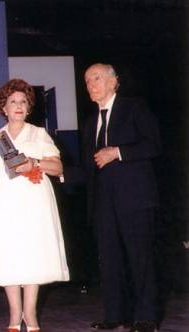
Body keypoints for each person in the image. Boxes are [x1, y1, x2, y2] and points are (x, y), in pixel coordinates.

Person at [0, 79, 69, 332]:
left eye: (23, 102)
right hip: (3, 202)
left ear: (29, 108)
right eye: (12, 102)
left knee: (32, 255)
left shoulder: (38, 133)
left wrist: (34, 162)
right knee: (9, 255)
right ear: (3, 108)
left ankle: (30, 313)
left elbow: (58, 167)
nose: (18, 106)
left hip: (33, 201)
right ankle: (14, 314)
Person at [82, 63, 161, 332]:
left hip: (135, 198)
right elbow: (86, 167)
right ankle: (115, 316)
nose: (91, 85)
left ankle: (146, 317)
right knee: (110, 259)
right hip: (103, 202)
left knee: (140, 257)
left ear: (114, 81)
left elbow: (154, 144)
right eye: (87, 81)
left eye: (96, 78)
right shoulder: (90, 122)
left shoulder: (134, 107)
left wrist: (118, 152)